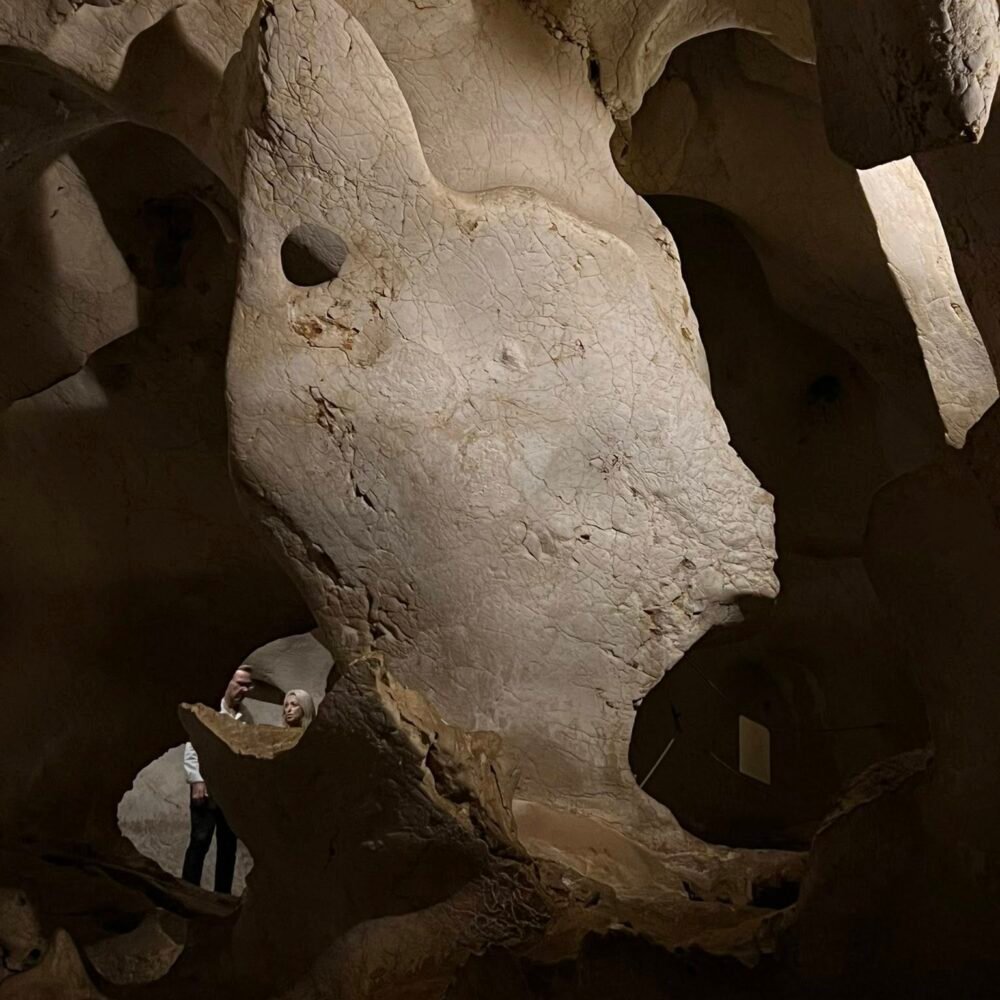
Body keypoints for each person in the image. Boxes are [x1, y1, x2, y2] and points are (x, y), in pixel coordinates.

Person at [181, 666, 254, 894]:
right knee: (199, 840)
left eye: (248, 685)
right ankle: (188, 892)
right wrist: (196, 780)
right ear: (228, 682)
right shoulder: (210, 709)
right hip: (206, 786)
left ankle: (222, 896)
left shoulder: (246, 717)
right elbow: (193, 744)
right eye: (240, 683)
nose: (244, 689)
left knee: (227, 845)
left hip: (230, 792)